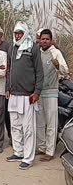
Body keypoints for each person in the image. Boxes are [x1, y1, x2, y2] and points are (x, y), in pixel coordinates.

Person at [6, 21, 44, 170]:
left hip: (28, 95)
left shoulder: (33, 48)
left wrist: (37, 92)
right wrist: (7, 87)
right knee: (15, 126)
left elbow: (39, 72)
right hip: (14, 94)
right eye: (16, 33)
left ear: (26, 33)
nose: (18, 35)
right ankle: (18, 152)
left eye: (20, 33)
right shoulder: (11, 48)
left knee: (28, 128)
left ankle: (28, 158)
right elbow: (9, 70)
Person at [36, 29, 69, 162]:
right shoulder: (37, 52)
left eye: (46, 39)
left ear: (51, 40)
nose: (44, 41)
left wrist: (58, 65)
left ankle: (50, 151)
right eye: (42, 39)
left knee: (51, 122)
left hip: (51, 92)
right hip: (39, 92)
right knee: (39, 121)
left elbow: (65, 70)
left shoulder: (56, 53)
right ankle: (41, 147)